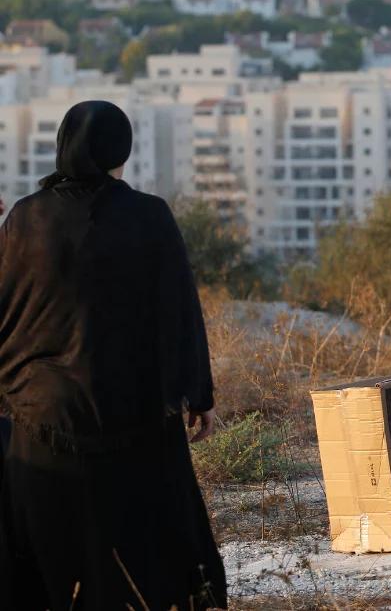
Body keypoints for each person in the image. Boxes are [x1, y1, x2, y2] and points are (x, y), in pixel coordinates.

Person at [0, 101, 227, 609]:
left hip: (42, 417)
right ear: (119, 150)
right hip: (137, 419)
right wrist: (199, 395)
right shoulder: (150, 216)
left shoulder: (24, 218)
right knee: (151, 559)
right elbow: (179, 311)